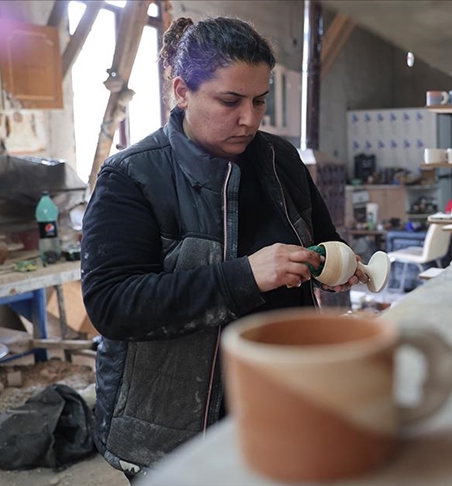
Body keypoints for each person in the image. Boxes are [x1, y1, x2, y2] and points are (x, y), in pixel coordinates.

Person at [81, 16, 365, 480]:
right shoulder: (132, 177)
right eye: (230, 101)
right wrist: (245, 276)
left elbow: (323, 239)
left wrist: (334, 263)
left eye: (259, 100)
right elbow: (113, 305)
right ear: (182, 90)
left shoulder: (280, 159)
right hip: (176, 424)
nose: (250, 119)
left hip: (280, 399)